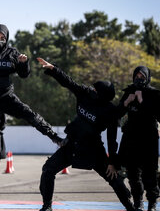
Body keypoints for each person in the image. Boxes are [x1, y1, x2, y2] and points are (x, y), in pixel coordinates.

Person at [37, 58, 135, 211]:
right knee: (48, 169)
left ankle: (130, 207)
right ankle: (47, 206)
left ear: (102, 95)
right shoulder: (85, 94)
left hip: (93, 150)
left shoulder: (109, 111)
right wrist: (53, 69)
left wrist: (112, 162)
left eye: (96, 90)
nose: (92, 90)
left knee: (114, 179)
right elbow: (69, 82)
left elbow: (112, 138)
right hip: (72, 145)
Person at [117, 66, 160, 211]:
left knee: (151, 175)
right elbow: (116, 113)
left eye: (142, 76)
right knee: (133, 175)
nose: (139, 78)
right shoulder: (128, 92)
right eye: (137, 76)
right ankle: (138, 202)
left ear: (147, 77)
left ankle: (152, 204)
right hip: (131, 140)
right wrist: (126, 102)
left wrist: (142, 101)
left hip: (149, 140)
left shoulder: (154, 94)